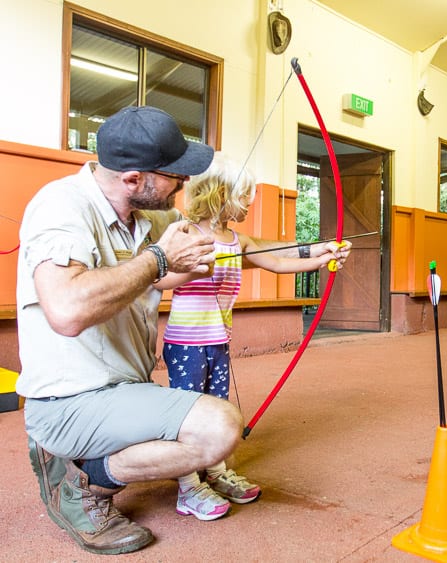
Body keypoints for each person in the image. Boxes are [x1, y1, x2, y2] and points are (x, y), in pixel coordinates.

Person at [17, 106, 244, 555]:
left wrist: (191, 259)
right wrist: (161, 259)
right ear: (135, 179)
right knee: (218, 428)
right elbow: (65, 309)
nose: (183, 184)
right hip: (68, 401)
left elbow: (163, 270)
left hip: (124, 389)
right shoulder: (60, 206)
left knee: (209, 426)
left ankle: (88, 461)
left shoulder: (149, 218)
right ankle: (84, 484)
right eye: (174, 175)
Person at [156, 152, 351, 521]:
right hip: (185, 342)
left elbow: (278, 262)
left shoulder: (237, 241)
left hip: (217, 342)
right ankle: (187, 485)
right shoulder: (186, 235)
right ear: (220, 193)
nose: (250, 201)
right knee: (187, 413)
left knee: (217, 409)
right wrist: (194, 267)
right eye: (245, 194)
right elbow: (159, 279)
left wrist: (323, 259)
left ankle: (214, 470)